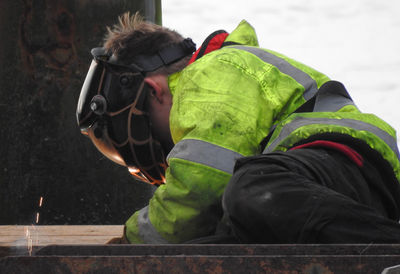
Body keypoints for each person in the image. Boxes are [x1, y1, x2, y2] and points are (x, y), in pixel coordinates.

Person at [76, 12, 400, 244]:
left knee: (252, 190)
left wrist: (128, 249)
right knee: (210, 244)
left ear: (155, 91)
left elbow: (200, 184)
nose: (167, 150)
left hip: (343, 162)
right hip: (317, 189)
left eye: (148, 130)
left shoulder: (210, 72)